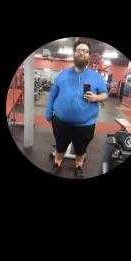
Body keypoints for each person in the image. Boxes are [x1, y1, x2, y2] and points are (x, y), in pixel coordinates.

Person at [45, 40, 108, 177]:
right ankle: (57, 164)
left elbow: (105, 95)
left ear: (89, 55)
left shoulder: (96, 76)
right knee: (60, 146)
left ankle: (79, 166)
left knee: (81, 149)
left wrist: (96, 98)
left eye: (85, 51)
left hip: (85, 124)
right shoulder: (62, 74)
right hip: (61, 122)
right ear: (74, 53)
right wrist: (48, 112)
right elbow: (52, 95)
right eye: (79, 50)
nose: (82, 53)